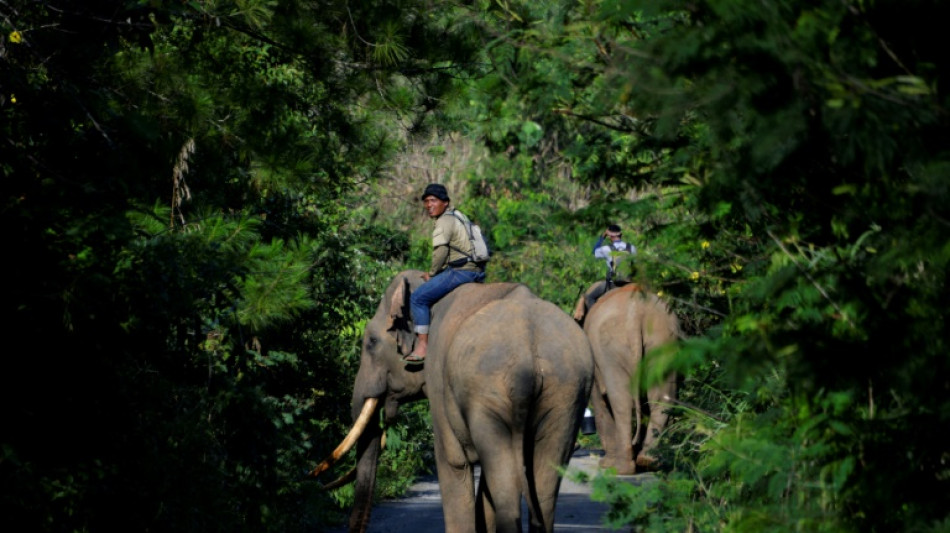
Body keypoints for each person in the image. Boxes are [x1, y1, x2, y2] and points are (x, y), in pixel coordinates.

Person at [404, 183, 487, 365]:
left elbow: (440, 252)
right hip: (477, 271)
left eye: (433, 200)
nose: (428, 205)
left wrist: (432, 274)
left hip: (461, 272)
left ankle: (422, 345)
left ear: (445, 202)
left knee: (418, 298)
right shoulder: (459, 217)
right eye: (426, 201)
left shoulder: (444, 221)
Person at [575, 224, 637, 321]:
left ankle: (595, 320)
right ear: (621, 235)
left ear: (610, 236)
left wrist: (602, 237)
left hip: (613, 284)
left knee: (589, 297)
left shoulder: (606, 249)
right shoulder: (631, 248)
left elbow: (594, 252)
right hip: (630, 282)